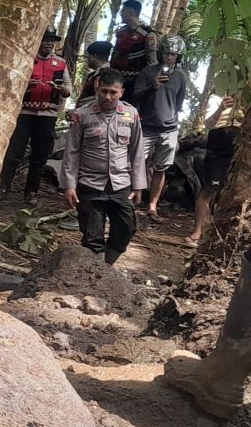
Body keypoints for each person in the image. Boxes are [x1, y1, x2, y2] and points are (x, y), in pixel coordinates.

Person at [59, 67, 145, 264]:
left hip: (121, 184)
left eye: (113, 92)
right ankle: (96, 271)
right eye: (104, 91)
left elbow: (137, 151)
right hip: (90, 184)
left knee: (125, 230)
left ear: (121, 92)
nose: (108, 97)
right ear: (97, 87)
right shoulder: (82, 115)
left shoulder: (131, 114)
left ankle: (106, 267)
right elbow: (71, 152)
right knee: (92, 235)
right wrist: (69, 186)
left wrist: (138, 185)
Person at [0, 27, 71, 202]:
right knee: (15, 151)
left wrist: (61, 90)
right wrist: (26, 86)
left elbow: (68, 89)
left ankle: (31, 192)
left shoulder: (60, 63)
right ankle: (3, 187)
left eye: (52, 41)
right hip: (25, 112)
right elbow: (12, 85)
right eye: (46, 40)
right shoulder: (26, 60)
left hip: (48, 115)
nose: (49, 44)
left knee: (39, 155)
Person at [133, 33, 186, 221]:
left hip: (169, 129)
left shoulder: (180, 77)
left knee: (160, 168)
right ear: (161, 53)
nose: (169, 57)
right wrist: (152, 87)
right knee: (137, 163)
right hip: (147, 127)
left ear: (178, 56)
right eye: (167, 53)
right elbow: (135, 96)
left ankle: (152, 206)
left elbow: (178, 104)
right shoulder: (147, 72)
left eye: (173, 54)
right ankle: (134, 198)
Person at [188, 96, 244, 247]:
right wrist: (221, 108)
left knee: (234, 191)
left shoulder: (246, 100)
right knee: (209, 189)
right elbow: (208, 124)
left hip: (239, 149)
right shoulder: (216, 98)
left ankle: (221, 233)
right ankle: (198, 231)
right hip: (218, 150)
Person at [110, 0, 157, 101]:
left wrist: (149, 83)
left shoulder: (147, 34)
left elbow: (152, 62)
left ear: (130, 12)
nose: (121, 14)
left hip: (135, 83)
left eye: (123, 11)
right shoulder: (121, 32)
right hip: (116, 81)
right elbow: (115, 56)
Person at [77, 40, 113, 108]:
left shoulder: (108, 74)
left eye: (88, 56)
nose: (87, 59)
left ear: (94, 56)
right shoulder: (93, 75)